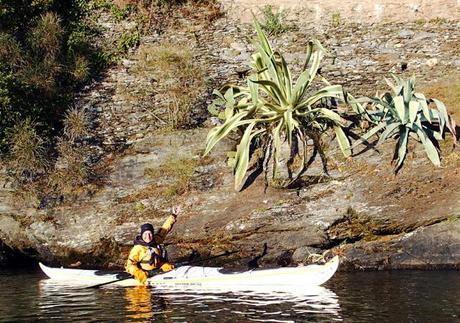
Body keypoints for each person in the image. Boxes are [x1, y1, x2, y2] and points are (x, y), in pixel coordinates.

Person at [125, 206, 181, 284]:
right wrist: (139, 273)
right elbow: (129, 265)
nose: (148, 236)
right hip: (144, 274)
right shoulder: (137, 248)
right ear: (141, 235)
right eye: (145, 234)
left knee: (168, 266)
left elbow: (164, 230)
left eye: (150, 234)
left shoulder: (155, 240)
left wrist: (173, 215)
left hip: (156, 270)